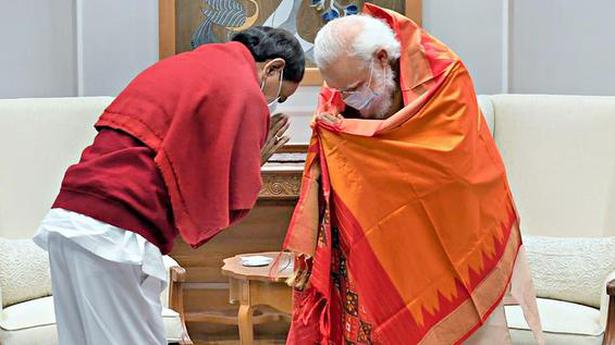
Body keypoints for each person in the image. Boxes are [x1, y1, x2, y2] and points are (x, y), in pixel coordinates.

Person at [280, 5, 544, 345]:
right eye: (339, 92)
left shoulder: (445, 75)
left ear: (380, 58)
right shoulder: (342, 85)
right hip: (378, 241)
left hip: (452, 230)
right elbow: (340, 151)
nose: (346, 100)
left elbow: (459, 168)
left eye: (353, 89)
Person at [32, 26, 304, 345]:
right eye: (279, 95)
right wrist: (253, 164)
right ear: (274, 67)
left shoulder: (187, 64)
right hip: (114, 230)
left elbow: (179, 156)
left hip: (71, 216)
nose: (272, 103)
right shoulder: (243, 85)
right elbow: (224, 192)